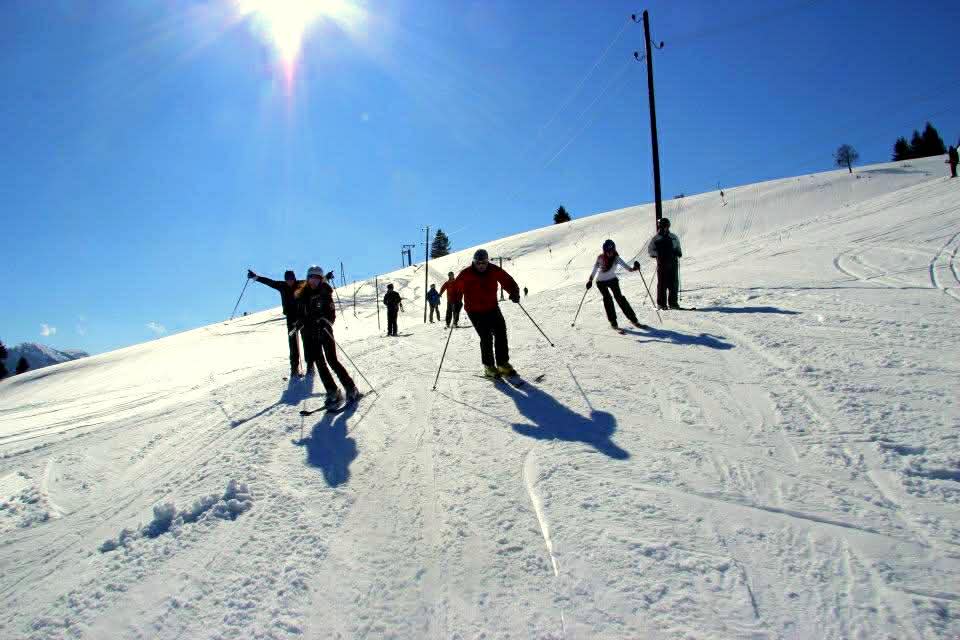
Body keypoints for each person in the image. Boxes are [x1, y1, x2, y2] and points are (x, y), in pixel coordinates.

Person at [295, 265, 358, 406]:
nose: (314, 282)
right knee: (320, 363)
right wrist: (300, 322)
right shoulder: (303, 296)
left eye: (318, 279)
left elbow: (331, 314)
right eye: (312, 278)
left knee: (332, 360)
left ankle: (351, 387)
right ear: (308, 279)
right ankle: (332, 390)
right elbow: (302, 314)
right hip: (311, 334)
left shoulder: (325, 293)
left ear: (321, 280)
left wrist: (325, 321)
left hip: (325, 332)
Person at [454, 249, 521, 378]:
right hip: (475, 311)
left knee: (501, 332)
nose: (481, 266)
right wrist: (456, 302)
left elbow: (507, 280)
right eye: (478, 263)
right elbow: (456, 289)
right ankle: (489, 366)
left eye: (484, 263)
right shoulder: (466, 274)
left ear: (487, 261)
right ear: (474, 262)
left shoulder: (493, 270)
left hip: (492, 307)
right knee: (486, 337)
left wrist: (514, 292)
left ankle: (502, 363)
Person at [248, 268, 304, 377]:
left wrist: (325, 278)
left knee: (306, 339)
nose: (290, 281)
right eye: (288, 279)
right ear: (285, 279)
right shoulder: (281, 285)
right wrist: (256, 277)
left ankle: (310, 364)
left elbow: (314, 282)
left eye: (291, 278)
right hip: (290, 319)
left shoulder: (301, 284)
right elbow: (269, 282)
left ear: (294, 278)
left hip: (302, 317)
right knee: (292, 342)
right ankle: (294, 368)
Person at [586, 240, 645, 330]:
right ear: (604, 251)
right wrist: (590, 280)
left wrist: (635, 268)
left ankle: (633, 319)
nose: (610, 253)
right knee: (608, 299)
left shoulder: (616, 258)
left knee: (619, 298)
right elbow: (594, 269)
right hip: (601, 282)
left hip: (613, 280)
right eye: (608, 252)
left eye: (612, 251)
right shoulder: (600, 258)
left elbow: (628, 268)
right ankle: (613, 322)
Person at [647, 218, 683, 310]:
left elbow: (678, 247)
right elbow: (650, 251)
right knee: (662, 284)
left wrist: (678, 252)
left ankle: (673, 303)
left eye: (666, 226)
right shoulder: (656, 238)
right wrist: (659, 254)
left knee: (674, 283)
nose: (665, 228)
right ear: (660, 227)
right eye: (663, 226)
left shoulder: (673, 237)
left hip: (673, 263)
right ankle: (661, 304)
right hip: (662, 264)